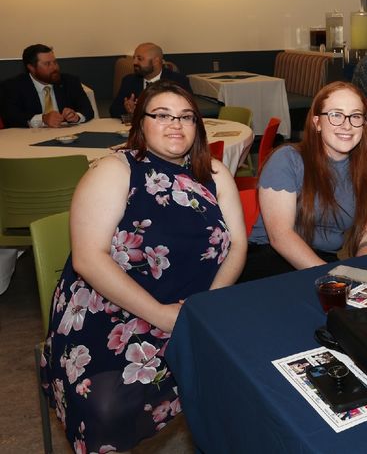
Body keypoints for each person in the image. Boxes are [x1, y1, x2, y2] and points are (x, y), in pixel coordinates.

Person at [39, 81, 247, 452]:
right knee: (106, 405)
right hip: (109, 311)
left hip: (192, 309)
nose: (175, 124)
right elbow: (88, 259)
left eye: (186, 117)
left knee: (249, 380)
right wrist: (164, 317)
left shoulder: (214, 173)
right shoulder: (115, 170)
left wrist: (205, 309)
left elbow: (237, 245)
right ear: (141, 124)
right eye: (162, 115)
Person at [241, 82, 367, 280]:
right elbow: (280, 236)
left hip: (325, 261)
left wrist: (360, 275)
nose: (347, 124)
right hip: (271, 259)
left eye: (356, 116)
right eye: (336, 115)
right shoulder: (288, 159)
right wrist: (333, 278)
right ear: (317, 122)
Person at [0, 44, 94, 128]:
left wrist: (76, 117)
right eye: (47, 64)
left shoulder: (70, 81)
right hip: (28, 139)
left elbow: (88, 110)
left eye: (55, 62)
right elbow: (10, 117)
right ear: (31, 68)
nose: (54, 67)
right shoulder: (13, 86)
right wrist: (43, 119)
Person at [110, 42, 192, 118]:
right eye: (134, 58)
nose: (134, 62)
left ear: (155, 61)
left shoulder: (178, 81)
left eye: (140, 59)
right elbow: (113, 111)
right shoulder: (129, 80)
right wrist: (128, 110)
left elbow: (189, 110)